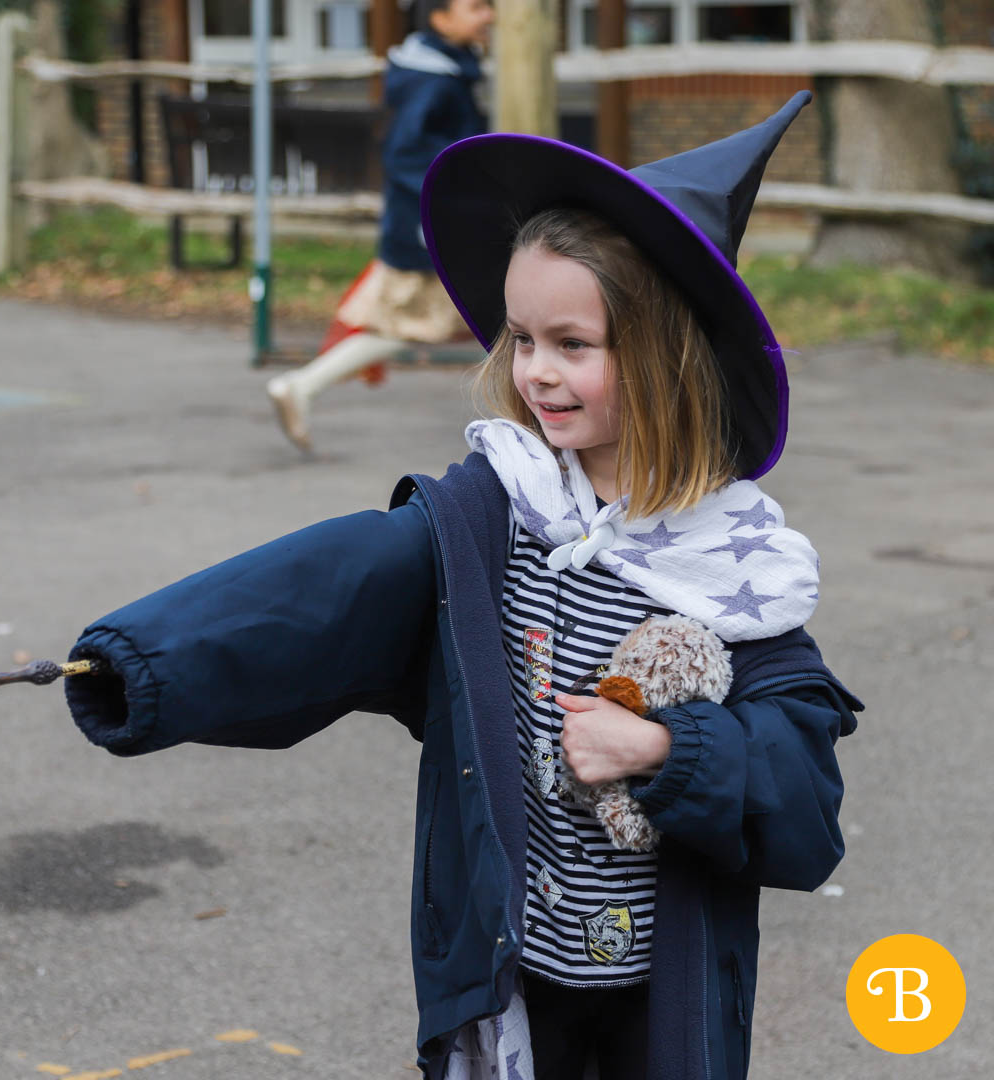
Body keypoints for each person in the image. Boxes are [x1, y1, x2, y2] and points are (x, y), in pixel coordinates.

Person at [64, 93, 861, 1080]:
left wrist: (666, 746)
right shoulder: (493, 522)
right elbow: (318, 596)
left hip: (663, 1008)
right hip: (504, 995)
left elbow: (804, 812)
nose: (536, 372)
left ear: (664, 358)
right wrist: (139, 663)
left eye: (574, 344)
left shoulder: (739, 576)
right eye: (522, 339)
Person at [265, 0, 493, 452]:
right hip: (427, 224)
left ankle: (302, 386)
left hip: (431, 216)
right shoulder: (432, 78)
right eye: (475, 6)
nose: (488, 15)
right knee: (423, 323)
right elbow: (407, 154)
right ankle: (301, 386)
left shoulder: (443, 67)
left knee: (420, 323)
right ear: (440, 18)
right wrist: (447, 204)